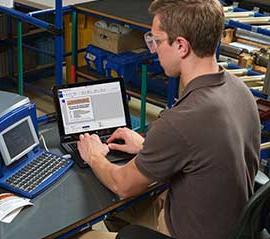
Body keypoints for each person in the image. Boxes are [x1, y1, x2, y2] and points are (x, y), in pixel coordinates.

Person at [76, 0, 261, 239]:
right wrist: (145, 146)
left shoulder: (182, 119)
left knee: (80, 235)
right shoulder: (239, 90)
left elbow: (122, 184)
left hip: (186, 231)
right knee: (114, 213)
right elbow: (203, 150)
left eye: (157, 40)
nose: (153, 49)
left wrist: (93, 155)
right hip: (225, 224)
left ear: (181, 46)